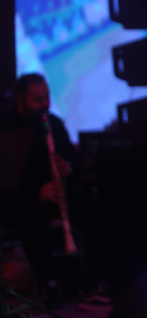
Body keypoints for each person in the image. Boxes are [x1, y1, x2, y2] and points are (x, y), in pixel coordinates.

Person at [0, 73, 75, 308]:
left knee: (101, 214)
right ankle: (50, 282)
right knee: (32, 218)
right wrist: (37, 193)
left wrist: (68, 167)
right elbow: (5, 184)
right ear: (20, 99)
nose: (44, 104)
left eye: (46, 98)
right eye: (37, 99)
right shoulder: (5, 126)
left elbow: (74, 159)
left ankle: (93, 286)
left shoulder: (53, 124)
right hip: (16, 199)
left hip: (53, 193)